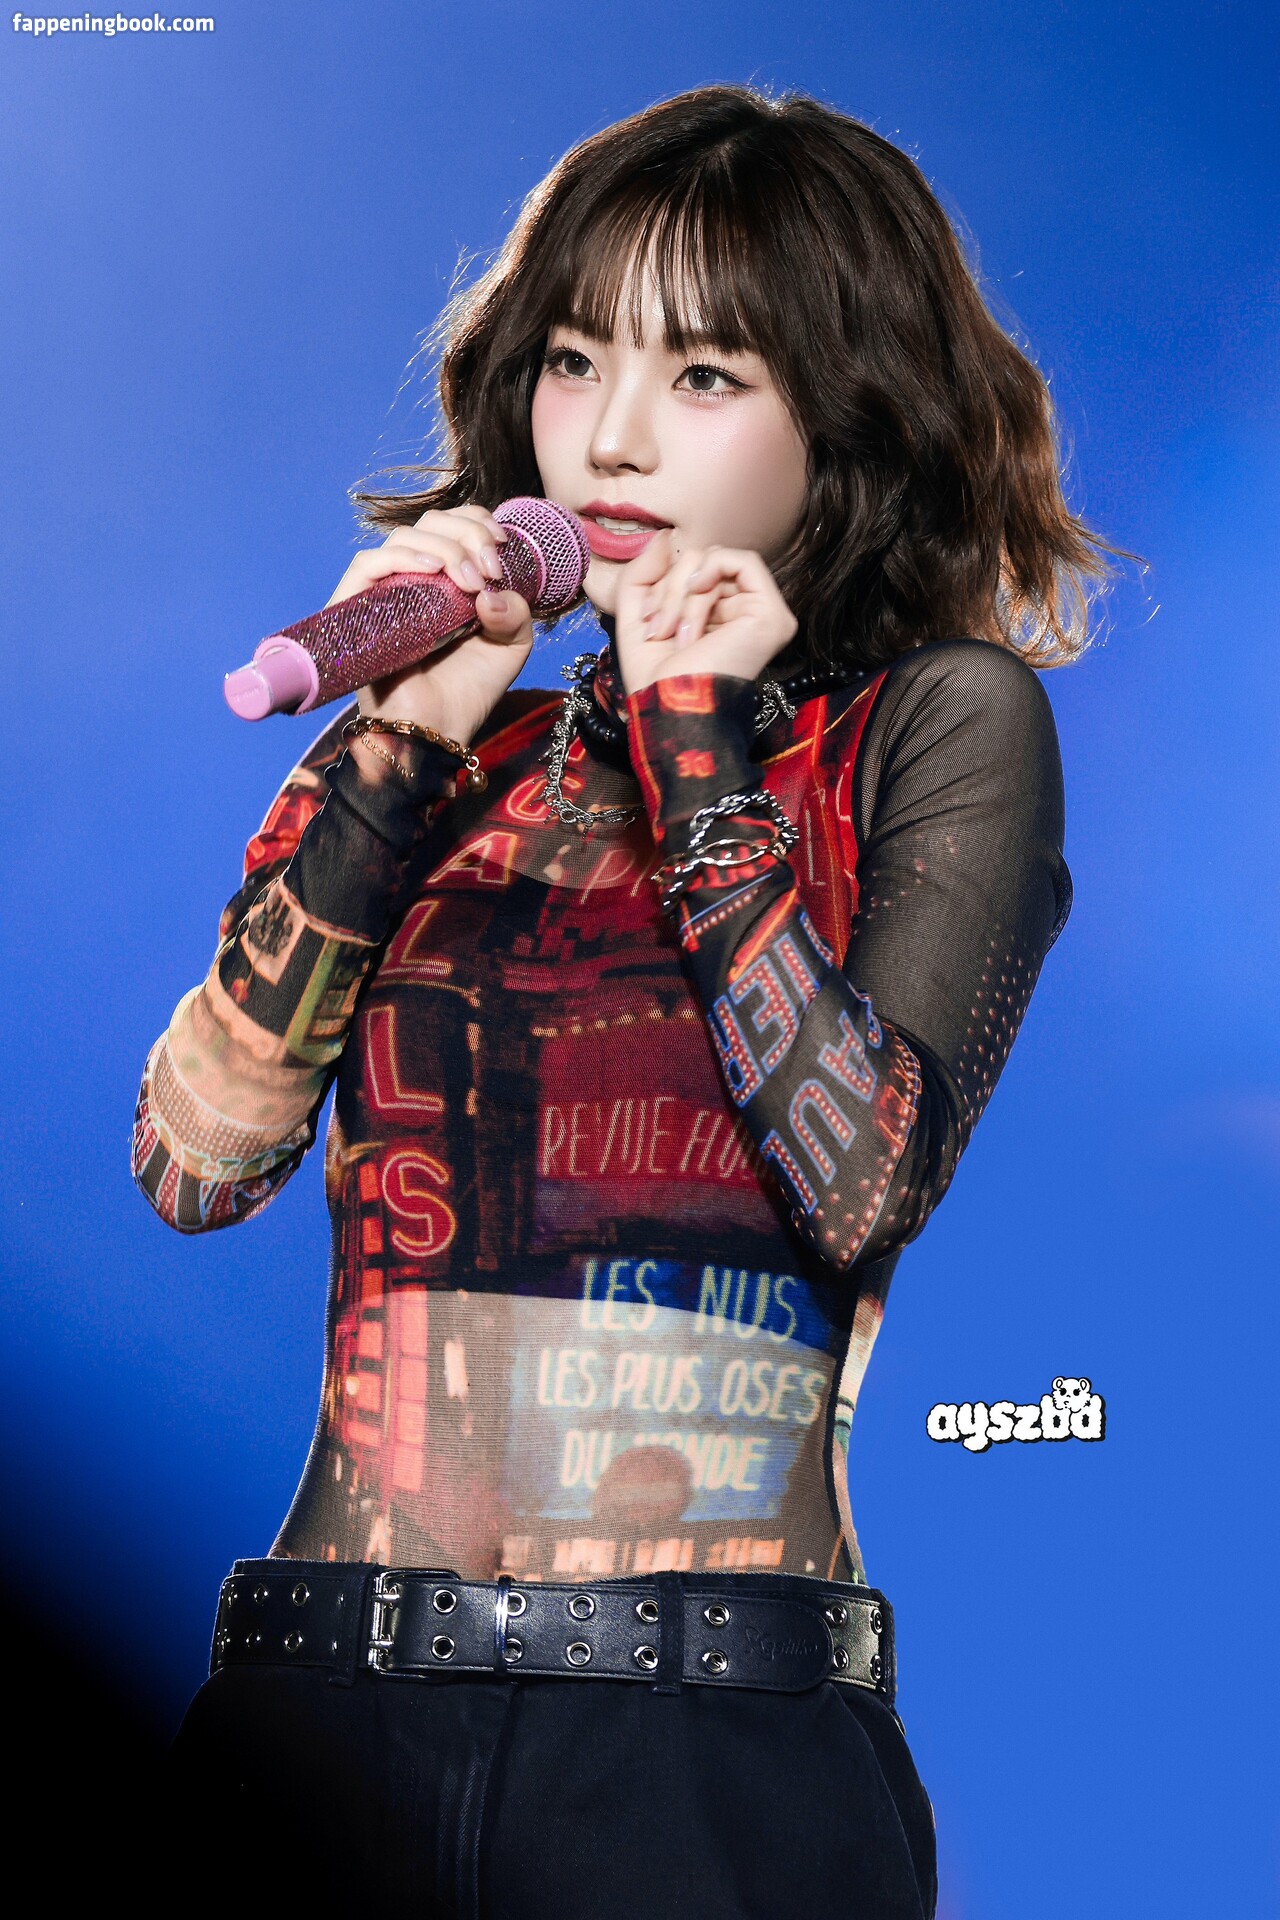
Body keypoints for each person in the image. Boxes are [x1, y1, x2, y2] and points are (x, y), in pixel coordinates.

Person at [134, 85, 1117, 1917]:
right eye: (578, 360)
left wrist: (694, 746)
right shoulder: (454, 748)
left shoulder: (936, 725)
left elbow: (861, 1186)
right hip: (322, 1706)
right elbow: (195, 1166)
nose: (614, 436)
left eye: (707, 374)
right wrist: (395, 756)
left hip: (702, 1762)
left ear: (847, 415)